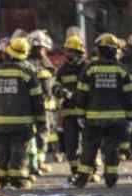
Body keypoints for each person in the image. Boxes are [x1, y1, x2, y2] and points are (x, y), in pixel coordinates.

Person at [74, 33, 132, 188]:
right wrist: (131, 117)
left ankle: (82, 179)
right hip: (116, 119)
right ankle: (111, 179)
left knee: (89, 148)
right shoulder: (121, 70)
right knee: (112, 149)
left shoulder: (90, 69)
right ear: (115, 51)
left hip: (93, 118)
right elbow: (129, 96)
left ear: (99, 50)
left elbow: (82, 93)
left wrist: (80, 114)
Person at [0, 37, 45, 190]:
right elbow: (37, 98)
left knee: (2, 150)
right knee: (18, 151)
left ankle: (2, 178)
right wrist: (41, 120)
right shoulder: (27, 72)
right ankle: (17, 179)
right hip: (22, 122)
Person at [53, 34, 88, 178]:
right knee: (70, 145)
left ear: (79, 52)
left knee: (88, 145)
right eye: (67, 51)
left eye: (71, 51)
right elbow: (54, 86)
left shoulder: (87, 67)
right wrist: (61, 91)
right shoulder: (63, 69)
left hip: (86, 113)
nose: (68, 54)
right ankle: (75, 172)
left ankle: (90, 171)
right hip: (69, 113)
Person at [28, 30, 56, 175]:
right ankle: (38, 163)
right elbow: (47, 89)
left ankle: (36, 163)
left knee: (35, 136)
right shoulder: (40, 64)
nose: (44, 51)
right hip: (41, 108)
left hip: (33, 107)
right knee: (40, 136)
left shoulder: (30, 63)